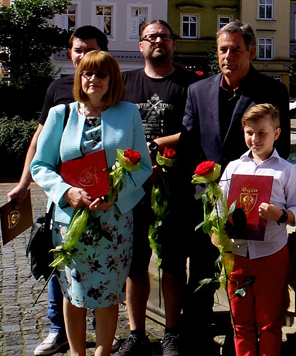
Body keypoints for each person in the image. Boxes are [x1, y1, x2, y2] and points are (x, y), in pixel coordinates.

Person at [31, 51, 152, 356]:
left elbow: (143, 167)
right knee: (73, 292)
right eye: (87, 73)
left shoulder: (128, 113)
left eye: (101, 74)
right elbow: (40, 166)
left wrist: (115, 194)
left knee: (108, 293)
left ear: (112, 79)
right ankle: (76, 353)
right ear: (79, 77)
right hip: (70, 220)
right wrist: (65, 192)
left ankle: (102, 353)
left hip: (114, 220)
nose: (93, 79)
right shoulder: (61, 114)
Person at [182, 20, 290, 350]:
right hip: (208, 203)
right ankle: (199, 342)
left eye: (236, 49)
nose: (228, 56)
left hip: (251, 206)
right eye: (223, 49)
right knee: (202, 275)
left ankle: (237, 345)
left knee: (245, 283)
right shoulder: (197, 90)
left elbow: (281, 150)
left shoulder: (271, 91)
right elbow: (190, 145)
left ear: (251, 52)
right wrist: (204, 190)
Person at [8, 25, 106, 356]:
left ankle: (98, 329)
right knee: (60, 259)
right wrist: (24, 183)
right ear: (70, 53)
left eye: (90, 49)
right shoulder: (58, 88)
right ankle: (58, 329)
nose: (83, 56)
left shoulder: (112, 87)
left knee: (101, 259)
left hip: (100, 194)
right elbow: (39, 140)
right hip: (63, 193)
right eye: (78, 50)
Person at [116, 20, 202, 356]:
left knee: (173, 263)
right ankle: (136, 334)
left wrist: (155, 149)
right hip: (134, 190)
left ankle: (172, 333)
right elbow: (116, 132)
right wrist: (138, 166)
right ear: (140, 45)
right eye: (150, 37)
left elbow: (194, 131)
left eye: (164, 36)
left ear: (173, 44)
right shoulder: (125, 82)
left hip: (176, 189)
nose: (157, 41)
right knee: (135, 264)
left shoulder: (190, 85)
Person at [220, 103, 296, 356]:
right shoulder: (233, 168)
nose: (254, 139)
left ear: (276, 134)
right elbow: (219, 206)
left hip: (271, 253)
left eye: (262, 133)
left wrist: (280, 215)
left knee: (269, 321)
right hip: (238, 253)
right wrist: (218, 222)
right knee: (240, 322)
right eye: (249, 133)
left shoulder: (286, 170)